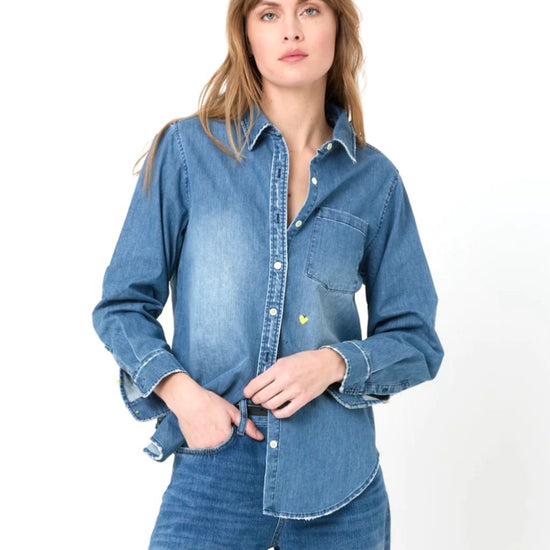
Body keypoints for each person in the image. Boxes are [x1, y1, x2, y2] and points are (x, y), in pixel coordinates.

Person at [92, 0, 444, 548]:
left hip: (341, 483)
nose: (291, 31)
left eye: (310, 10)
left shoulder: (375, 180)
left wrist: (331, 363)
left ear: (337, 27)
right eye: (269, 14)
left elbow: (416, 340)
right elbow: (122, 306)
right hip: (213, 471)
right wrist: (184, 397)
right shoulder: (188, 152)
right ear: (247, 35)